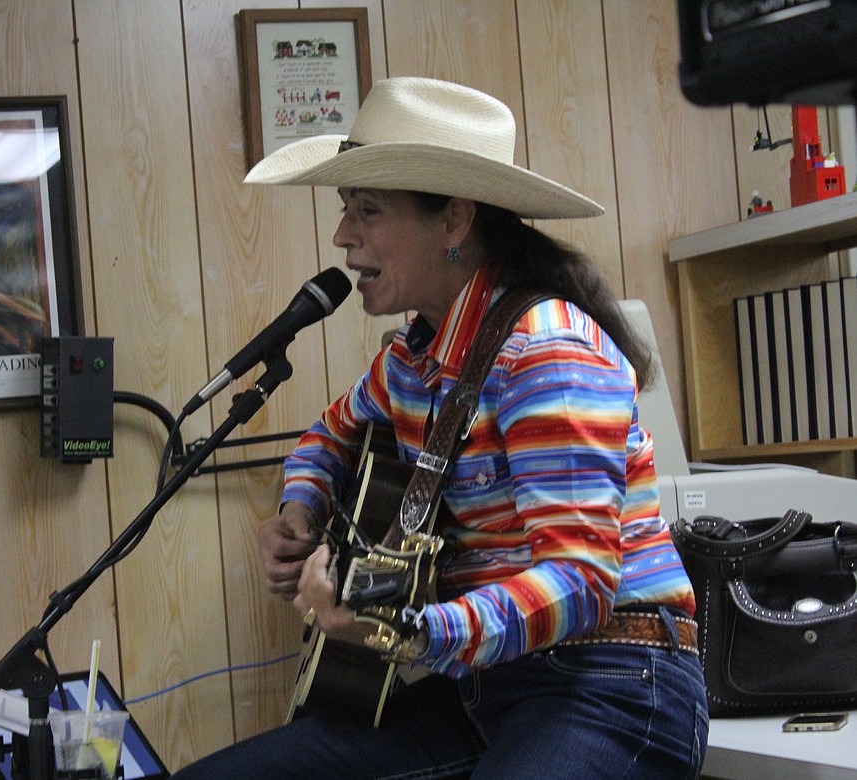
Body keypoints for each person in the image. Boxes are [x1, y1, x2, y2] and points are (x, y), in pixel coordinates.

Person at [173, 77, 708, 779]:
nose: (342, 236)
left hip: (615, 681)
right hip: (488, 685)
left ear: (454, 220)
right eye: (345, 209)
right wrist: (299, 509)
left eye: (367, 210)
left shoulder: (546, 349)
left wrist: (407, 628)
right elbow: (325, 438)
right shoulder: (410, 360)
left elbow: (580, 582)